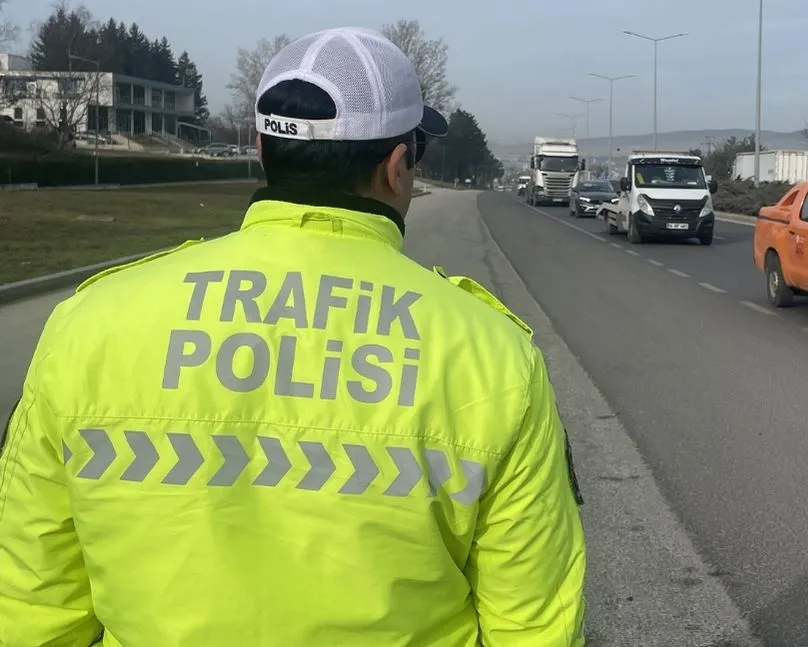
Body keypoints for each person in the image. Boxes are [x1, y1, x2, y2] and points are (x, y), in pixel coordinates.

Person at [0, 27, 586, 647]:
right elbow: (534, 626)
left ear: (260, 147)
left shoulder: (92, 323)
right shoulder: (492, 355)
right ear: (396, 166)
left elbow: (34, 604)